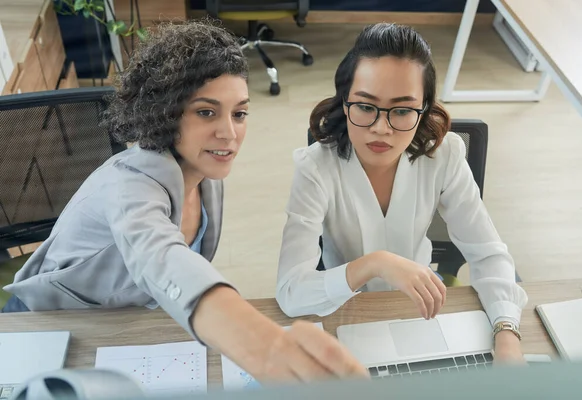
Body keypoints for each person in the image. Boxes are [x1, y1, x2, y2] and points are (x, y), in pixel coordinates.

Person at [2, 20, 367, 383]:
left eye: (239, 113)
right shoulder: (130, 184)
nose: (229, 133)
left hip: (125, 321)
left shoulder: (204, 172)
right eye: (206, 111)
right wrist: (263, 345)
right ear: (166, 112)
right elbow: (162, 258)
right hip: (47, 325)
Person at [275, 23, 528, 363]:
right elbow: (291, 292)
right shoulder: (315, 167)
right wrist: (376, 263)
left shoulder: (446, 154)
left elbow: (489, 254)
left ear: (424, 108)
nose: (382, 128)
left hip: (419, 309)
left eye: (403, 110)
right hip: (346, 310)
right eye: (365, 107)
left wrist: (507, 334)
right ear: (345, 101)